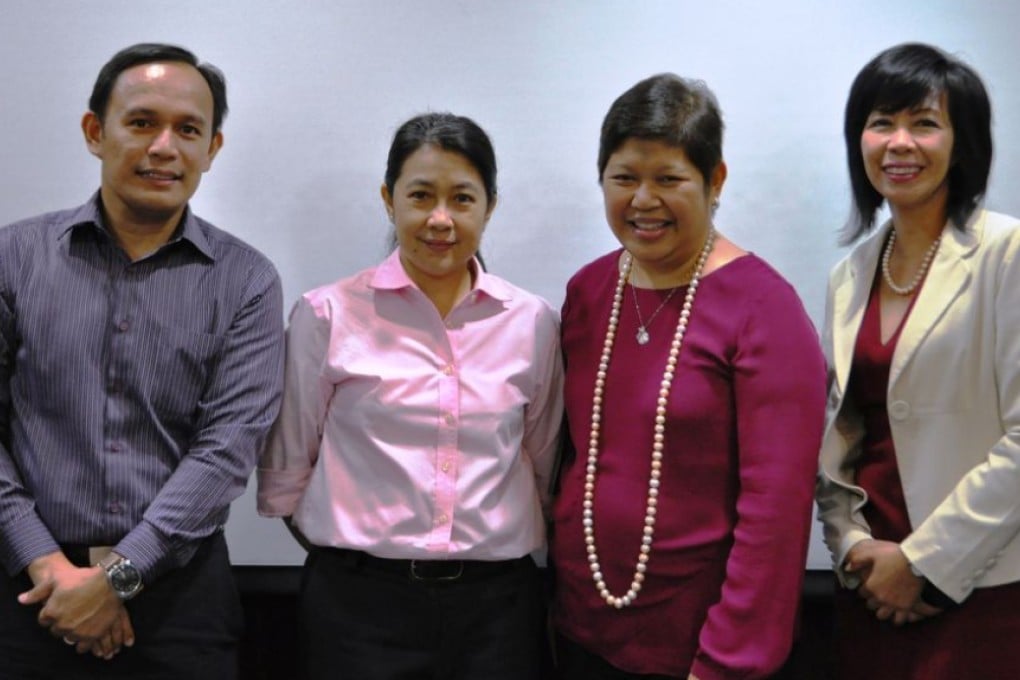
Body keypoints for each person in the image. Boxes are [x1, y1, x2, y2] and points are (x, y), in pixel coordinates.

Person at [0, 43, 284, 679]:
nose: (164, 147)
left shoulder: (247, 281)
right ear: (95, 132)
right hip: (25, 591)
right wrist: (47, 565)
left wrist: (116, 580)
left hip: (181, 602)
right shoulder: (12, 260)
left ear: (212, 149)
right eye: (141, 123)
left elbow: (226, 449)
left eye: (188, 130)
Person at [257, 112, 564, 680]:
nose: (440, 219)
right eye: (420, 195)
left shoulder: (533, 322)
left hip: (497, 613)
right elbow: (288, 469)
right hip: (358, 612)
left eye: (463, 199)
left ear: (490, 206)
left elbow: (543, 463)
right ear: (388, 198)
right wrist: (361, 554)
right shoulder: (327, 314)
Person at [550, 73, 827, 680]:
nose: (642, 201)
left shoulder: (764, 309)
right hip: (577, 630)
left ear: (715, 179)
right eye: (624, 178)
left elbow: (776, 511)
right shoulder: (590, 290)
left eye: (668, 179)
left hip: (700, 649)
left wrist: (729, 661)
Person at [816, 42, 1020, 679]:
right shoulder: (848, 276)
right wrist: (852, 546)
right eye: (881, 123)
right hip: (870, 584)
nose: (899, 143)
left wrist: (926, 565)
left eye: (924, 123)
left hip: (981, 584)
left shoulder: (1006, 254)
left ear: (963, 144)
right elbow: (840, 434)